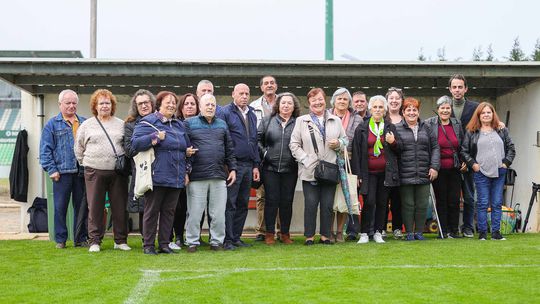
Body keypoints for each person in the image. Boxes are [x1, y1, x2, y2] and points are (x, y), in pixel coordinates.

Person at [131, 91, 190, 255]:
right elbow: (135, 144)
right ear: (159, 104)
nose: (171, 105)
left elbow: (184, 148)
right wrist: (155, 137)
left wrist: (186, 168)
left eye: (173, 102)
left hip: (176, 176)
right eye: (168, 102)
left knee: (169, 212)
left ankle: (164, 244)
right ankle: (148, 245)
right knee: (151, 211)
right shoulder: (148, 122)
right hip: (157, 176)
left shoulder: (178, 125)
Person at [290, 88, 348, 245]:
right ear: (309, 103)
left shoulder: (335, 120)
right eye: (314, 100)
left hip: (330, 169)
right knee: (310, 204)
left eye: (320, 99)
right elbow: (294, 144)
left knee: (327, 205)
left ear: (325, 100)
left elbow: (345, 140)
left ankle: (325, 236)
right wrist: (306, 159)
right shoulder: (301, 121)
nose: (317, 102)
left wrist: (339, 143)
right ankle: (309, 236)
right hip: (310, 170)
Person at [74, 89, 130, 252]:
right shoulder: (87, 125)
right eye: (101, 103)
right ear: (95, 106)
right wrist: (85, 163)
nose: (105, 106)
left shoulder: (121, 124)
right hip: (93, 171)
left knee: (119, 207)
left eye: (108, 103)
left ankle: (120, 240)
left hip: (117, 172)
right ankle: (95, 241)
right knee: (95, 206)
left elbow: (126, 146)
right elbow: (78, 147)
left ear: (112, 105)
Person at [184, 94, 237, 252]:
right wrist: (186, 171)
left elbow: (229, 149)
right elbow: (184, 149)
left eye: (213, 105)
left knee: (218, 213)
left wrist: (233, 168)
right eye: (207, 104)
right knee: (194, 212)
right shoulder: (188, 123)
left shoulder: (222, 124)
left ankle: (216, 242)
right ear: (200, 107)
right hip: (196, 176)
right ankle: (192, 241)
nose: (210, 107)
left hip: (219, 176)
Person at [40, 89, 87, 249]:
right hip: (61, 173)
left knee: (81, 207)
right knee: (60, 207)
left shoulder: (84, 122)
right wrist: (52, 169)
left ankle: (80, 238)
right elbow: (45, 150)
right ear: (60, 104)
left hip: (81, 173)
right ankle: (61, 239)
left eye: (74, 103)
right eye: (68, 103)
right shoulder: (51, 125)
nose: (71, 106)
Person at [461, 102, 515, 241]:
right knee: (483, 203)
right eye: (483, 113)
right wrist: (473, 165)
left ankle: (496, 233)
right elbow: (464, 151)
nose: (486, 115)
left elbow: (511, 149)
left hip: (499, 172)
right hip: (481, 172)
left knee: (497, 202)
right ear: (478, 115)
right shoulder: (471, 131)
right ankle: (483, 233)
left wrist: (505, 163)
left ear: (493, 114)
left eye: (488, 112)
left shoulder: (502, 130)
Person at [217, 83, 260, 250]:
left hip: (249, 166)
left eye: (247, 93)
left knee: (243, 203)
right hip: (233, 166)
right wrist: (229, 165)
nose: (244, 96)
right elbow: (223, 140)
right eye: (241, 93)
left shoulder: (252, 114)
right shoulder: (225, 112)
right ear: (233, 94)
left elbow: (254, 141)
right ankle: (227, 239)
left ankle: (236, 237)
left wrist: (256, 165)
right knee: (230, 203)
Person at [351, 95, 399, 244]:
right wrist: (357, 174)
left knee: (382, 203)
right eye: (375, 107)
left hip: (385, 173)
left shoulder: (390, 127)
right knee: (369, 201)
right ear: (370, 109)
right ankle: (365, 232)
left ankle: (378, 232)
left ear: (385, 110)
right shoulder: (362, 128)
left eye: (380, 107)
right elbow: (356, 152)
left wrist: (393, 142)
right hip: (368, 173)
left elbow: (400, 150)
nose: (378, 110)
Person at [394, 97, 440, 241]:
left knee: (422, 204)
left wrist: (434, 167)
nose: (412, 113)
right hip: (405, 172)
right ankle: (409, 232)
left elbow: (435, 148)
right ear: (403, 112)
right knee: (408, 204)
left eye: (415, 110)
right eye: (409, 110)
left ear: (418, 112)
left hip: (424, 172)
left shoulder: (427, 127)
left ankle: (419, 232)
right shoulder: (396, 128)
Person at [258, 92, 300, 245]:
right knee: (271, 200)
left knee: (287, 201)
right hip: (270, 168)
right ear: (278, 105)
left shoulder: (299, 123)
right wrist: (265, 153)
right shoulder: (267, 120)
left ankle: (285, 234)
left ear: (294, 106)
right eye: (283, 103)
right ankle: (269, 233)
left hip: (290, 168)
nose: (286, 105)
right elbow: (257, 140)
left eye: (289, 103)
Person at [425, 96, 465, 238]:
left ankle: (454, 230)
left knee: (454, 201)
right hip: (438, 169)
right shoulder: (429, 123)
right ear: (438, 109)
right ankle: (443, 231)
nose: (445, 110)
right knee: (441, 201)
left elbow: (462, 145)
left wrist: (464, 161)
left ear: (451, 109)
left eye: (448, 108)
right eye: (442, 108)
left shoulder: (457, 123)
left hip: (455, 168)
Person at [328, 88, 362, 242]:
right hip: (328, 161)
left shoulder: (357, 119)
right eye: (339, 99)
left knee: (344, 197)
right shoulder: (326, 116)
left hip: (348, 162)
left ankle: (340, 231)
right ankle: (328, 231)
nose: (342, 102)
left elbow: (359, 145)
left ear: (349, 103)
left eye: (345, 99)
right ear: (334, 100)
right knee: (329, 197)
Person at [167, 93, 200, 250]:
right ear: (181, 107)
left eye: (192, 104)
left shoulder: (202, 123)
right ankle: (178, 235)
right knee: (179, 206)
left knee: (197, 206)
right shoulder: (176, 124)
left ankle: (195, 236)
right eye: (186, 104)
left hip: (200, 170)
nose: (189, 106)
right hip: (179, 170)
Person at [449, 74, 479, 238]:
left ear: (466, 88)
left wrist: (468, 160)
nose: (457, 90)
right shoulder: (445, 107)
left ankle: (468, 227)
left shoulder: (475, 107)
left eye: (460, 87)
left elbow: (480, 132)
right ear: (450, 89)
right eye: (454, 87)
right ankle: (450, 228)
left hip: (470, 159)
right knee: (451, 199)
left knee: (469, 197)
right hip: (451, 161)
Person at [124, 89, 156, 244]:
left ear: (152, 103)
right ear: (136, 106)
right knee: (145, 208)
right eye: (140, 103)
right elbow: (129, 150)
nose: (144, 106)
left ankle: (166, 239)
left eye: (146, 102)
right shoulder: (131, 125)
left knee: (166, 207)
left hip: (162, 169)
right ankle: (147, 240)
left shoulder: (161, 120)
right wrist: (151, 140)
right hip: (142, 171)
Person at [250, 75, 278, 242]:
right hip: (262, 158)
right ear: (261, 87)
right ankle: (261, 231)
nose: (269, 85)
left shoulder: (284, 102)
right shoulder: (254, 107)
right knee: (262, 196)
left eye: (272, 83)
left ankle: (281, 231)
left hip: (282, 158)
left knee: (280, 197)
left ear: (276, 86)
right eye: (266, 83)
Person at [385, 87, 405, 239]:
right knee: (383, 200)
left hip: (403, 166)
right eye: (391, 98)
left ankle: (398, 228)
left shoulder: (407, 119)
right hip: (385, 167)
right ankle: (382, 227)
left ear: (401, 101)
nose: (394, 101)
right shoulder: (381, 119)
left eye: (397, 98)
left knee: (398, 200)